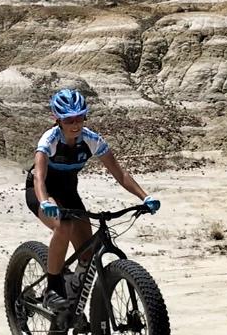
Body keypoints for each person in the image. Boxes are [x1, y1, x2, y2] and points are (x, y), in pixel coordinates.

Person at [25, 87, 159, 309]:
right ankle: (52, 288)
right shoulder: (50, 139)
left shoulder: (90, 139)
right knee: (64, 226)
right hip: (42, 190)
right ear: (58, 120)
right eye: (69, 120)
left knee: (87, 253)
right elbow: (39, 176)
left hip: (68, 192)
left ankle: (71, 305)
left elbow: (120, 173)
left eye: (80, 118)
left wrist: (145, 197)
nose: (75, 124)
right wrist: (45, 201)